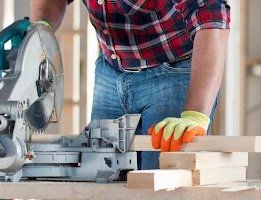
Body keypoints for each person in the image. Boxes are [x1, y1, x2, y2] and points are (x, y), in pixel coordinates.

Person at [30, 0, 230, 170]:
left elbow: (211, 18)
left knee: (161, 181)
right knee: (102, 177)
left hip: (173, 72)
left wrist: (196, 114)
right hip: (112, 69)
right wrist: (40, 28)